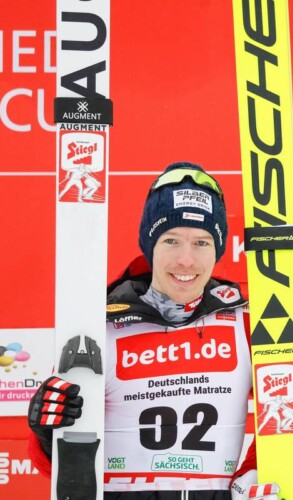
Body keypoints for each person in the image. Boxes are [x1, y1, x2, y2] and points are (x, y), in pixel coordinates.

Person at [28, 162, 277, 499]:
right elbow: (52, 467)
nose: (186, 260)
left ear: (217, 249)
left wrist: (251, 475)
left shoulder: (244, 323)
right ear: (150, 245)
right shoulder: (100, 326)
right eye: (171, 240)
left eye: (201, 243)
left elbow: (289, 415)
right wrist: (46, 431)